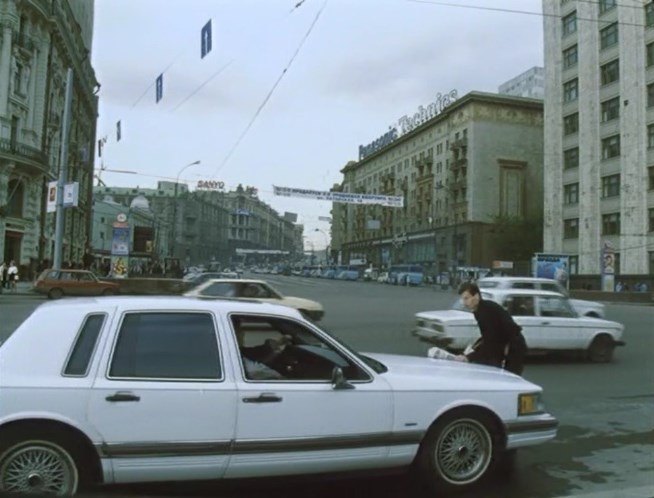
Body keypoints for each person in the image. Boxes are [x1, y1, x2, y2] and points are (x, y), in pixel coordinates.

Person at [454, 282, 527, 375]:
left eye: (466, 298)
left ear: (476, 296)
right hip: (504, 344)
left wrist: (469, 357)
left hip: (513, 347)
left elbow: (491, 342)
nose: (464, 303)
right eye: (462, 299)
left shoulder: (486, 312)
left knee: (510, 379)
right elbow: (487, 337)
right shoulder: (481, 310)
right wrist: (470, 352)